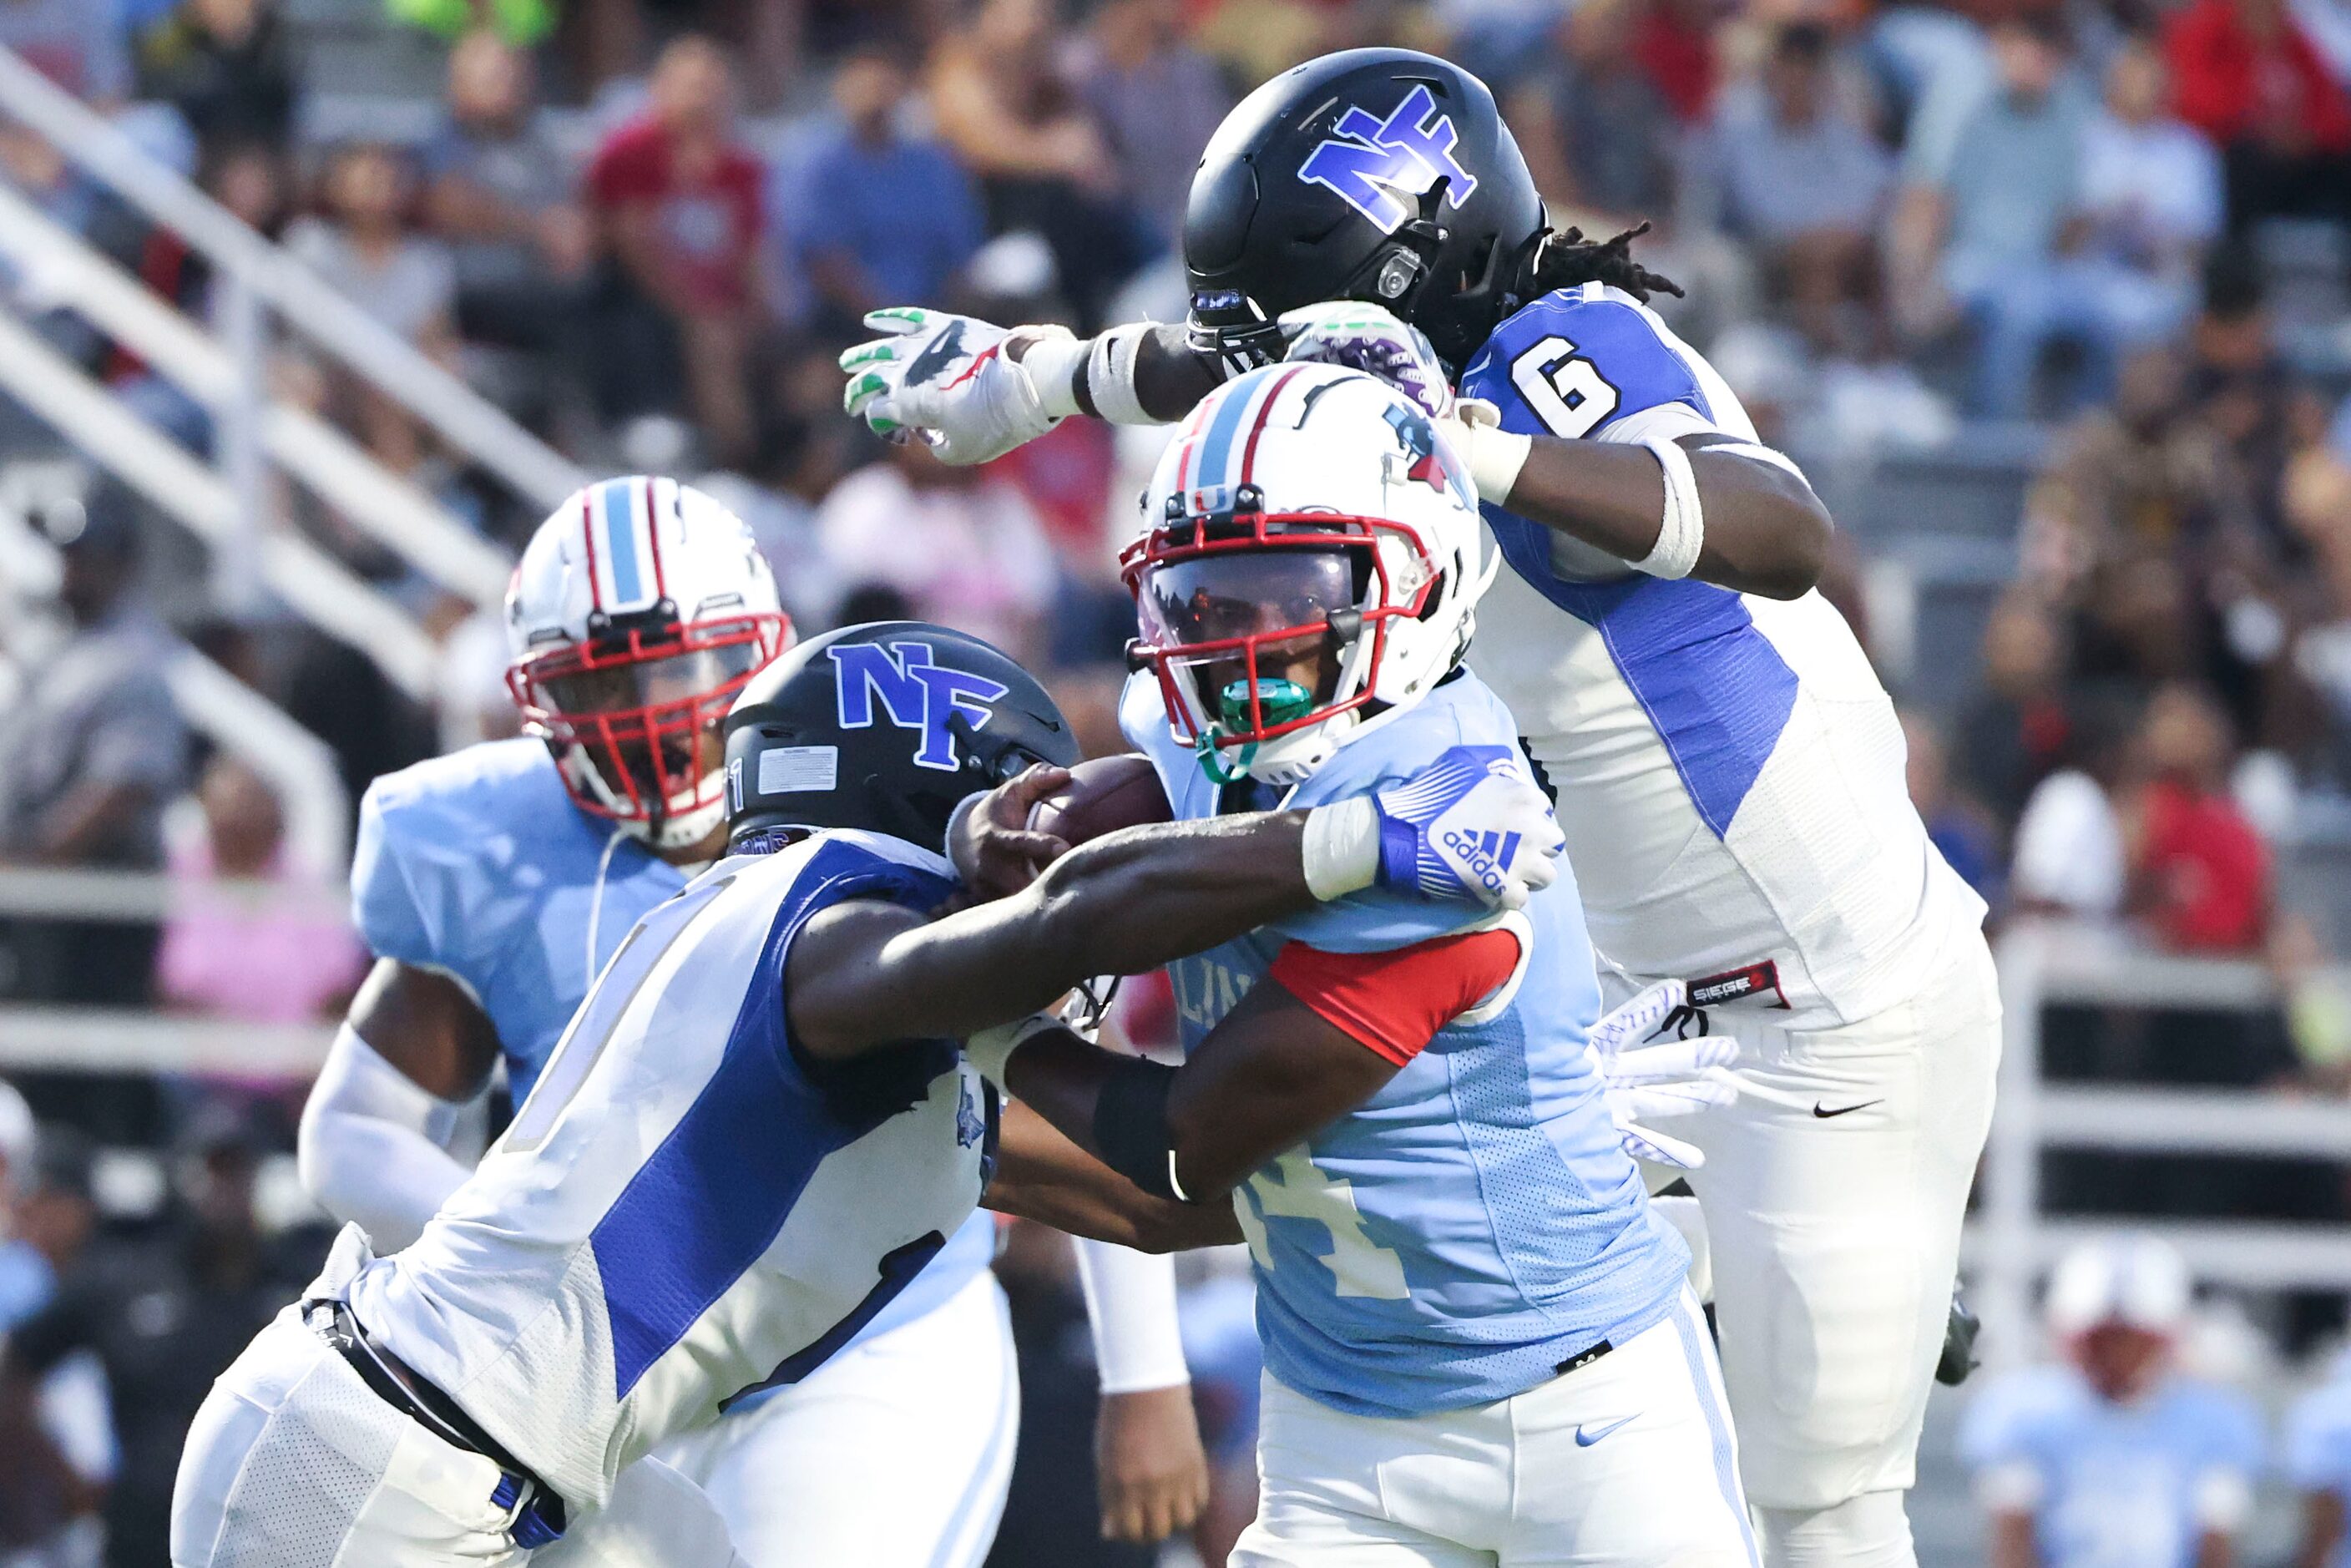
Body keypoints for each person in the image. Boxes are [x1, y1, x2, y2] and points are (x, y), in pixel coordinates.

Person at [842, 46, 2000, 1568]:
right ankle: (1764, 1255)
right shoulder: (1363, 381)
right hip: (1644, 1003)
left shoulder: (1552, 350)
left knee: (1819, 1519)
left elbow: (1783, 529)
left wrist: (1473, 447)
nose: (1265, 366)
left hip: (1827, 1006)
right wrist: (1041, 379)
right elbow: (1210, 358)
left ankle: (1820, 1245)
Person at [178, 616, 1565, 1565]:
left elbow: (1163, 1184)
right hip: (390, 1463)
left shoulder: (886, 1012)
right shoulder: (828, 917)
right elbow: (1066, 925)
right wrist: (1351, 840)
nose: (1049, 830)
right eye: (1023, 800)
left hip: (487, 1466)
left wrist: (1529, 1112)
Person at [292, 478, 1242, 1564]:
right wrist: (525, 1270)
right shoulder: (481, 843)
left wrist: (1145, 1367)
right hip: (609, 1367)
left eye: (686, 669)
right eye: (609, 684)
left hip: (868, 1338)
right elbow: (351, 1127)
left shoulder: (874, 795)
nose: (656, 714)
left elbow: (1075, 1103)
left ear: (769, 656)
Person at [952, 363, 1756, 1565]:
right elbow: (1099, 844)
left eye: (1284, 589)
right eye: (1204, 600)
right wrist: (990, 841)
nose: (1239, 643)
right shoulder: (1209, 736)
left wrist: (980, 1022)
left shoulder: (1455, 810)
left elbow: (1181, 1151)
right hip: (1342, 1423)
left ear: (1422, 571)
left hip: (1583, 1415)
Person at [15, 1106, 304, 1568]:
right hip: (141, 1533)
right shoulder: (126, 1277)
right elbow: (15, 1365)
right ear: (181, 1174)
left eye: (235, 1171)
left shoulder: (297, 1287)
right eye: (211, 1169)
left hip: (265, 1536)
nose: (223, 1189)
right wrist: (63, 1476)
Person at [1960, 1234, 2263, 1568]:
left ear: (2166, 1339)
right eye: (2099, 1338)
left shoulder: (2213, 1422)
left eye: (2130, 1339)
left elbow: (2215, 1550)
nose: (2114, 1355)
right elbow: (2012, 1547)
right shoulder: (2022, 1412)